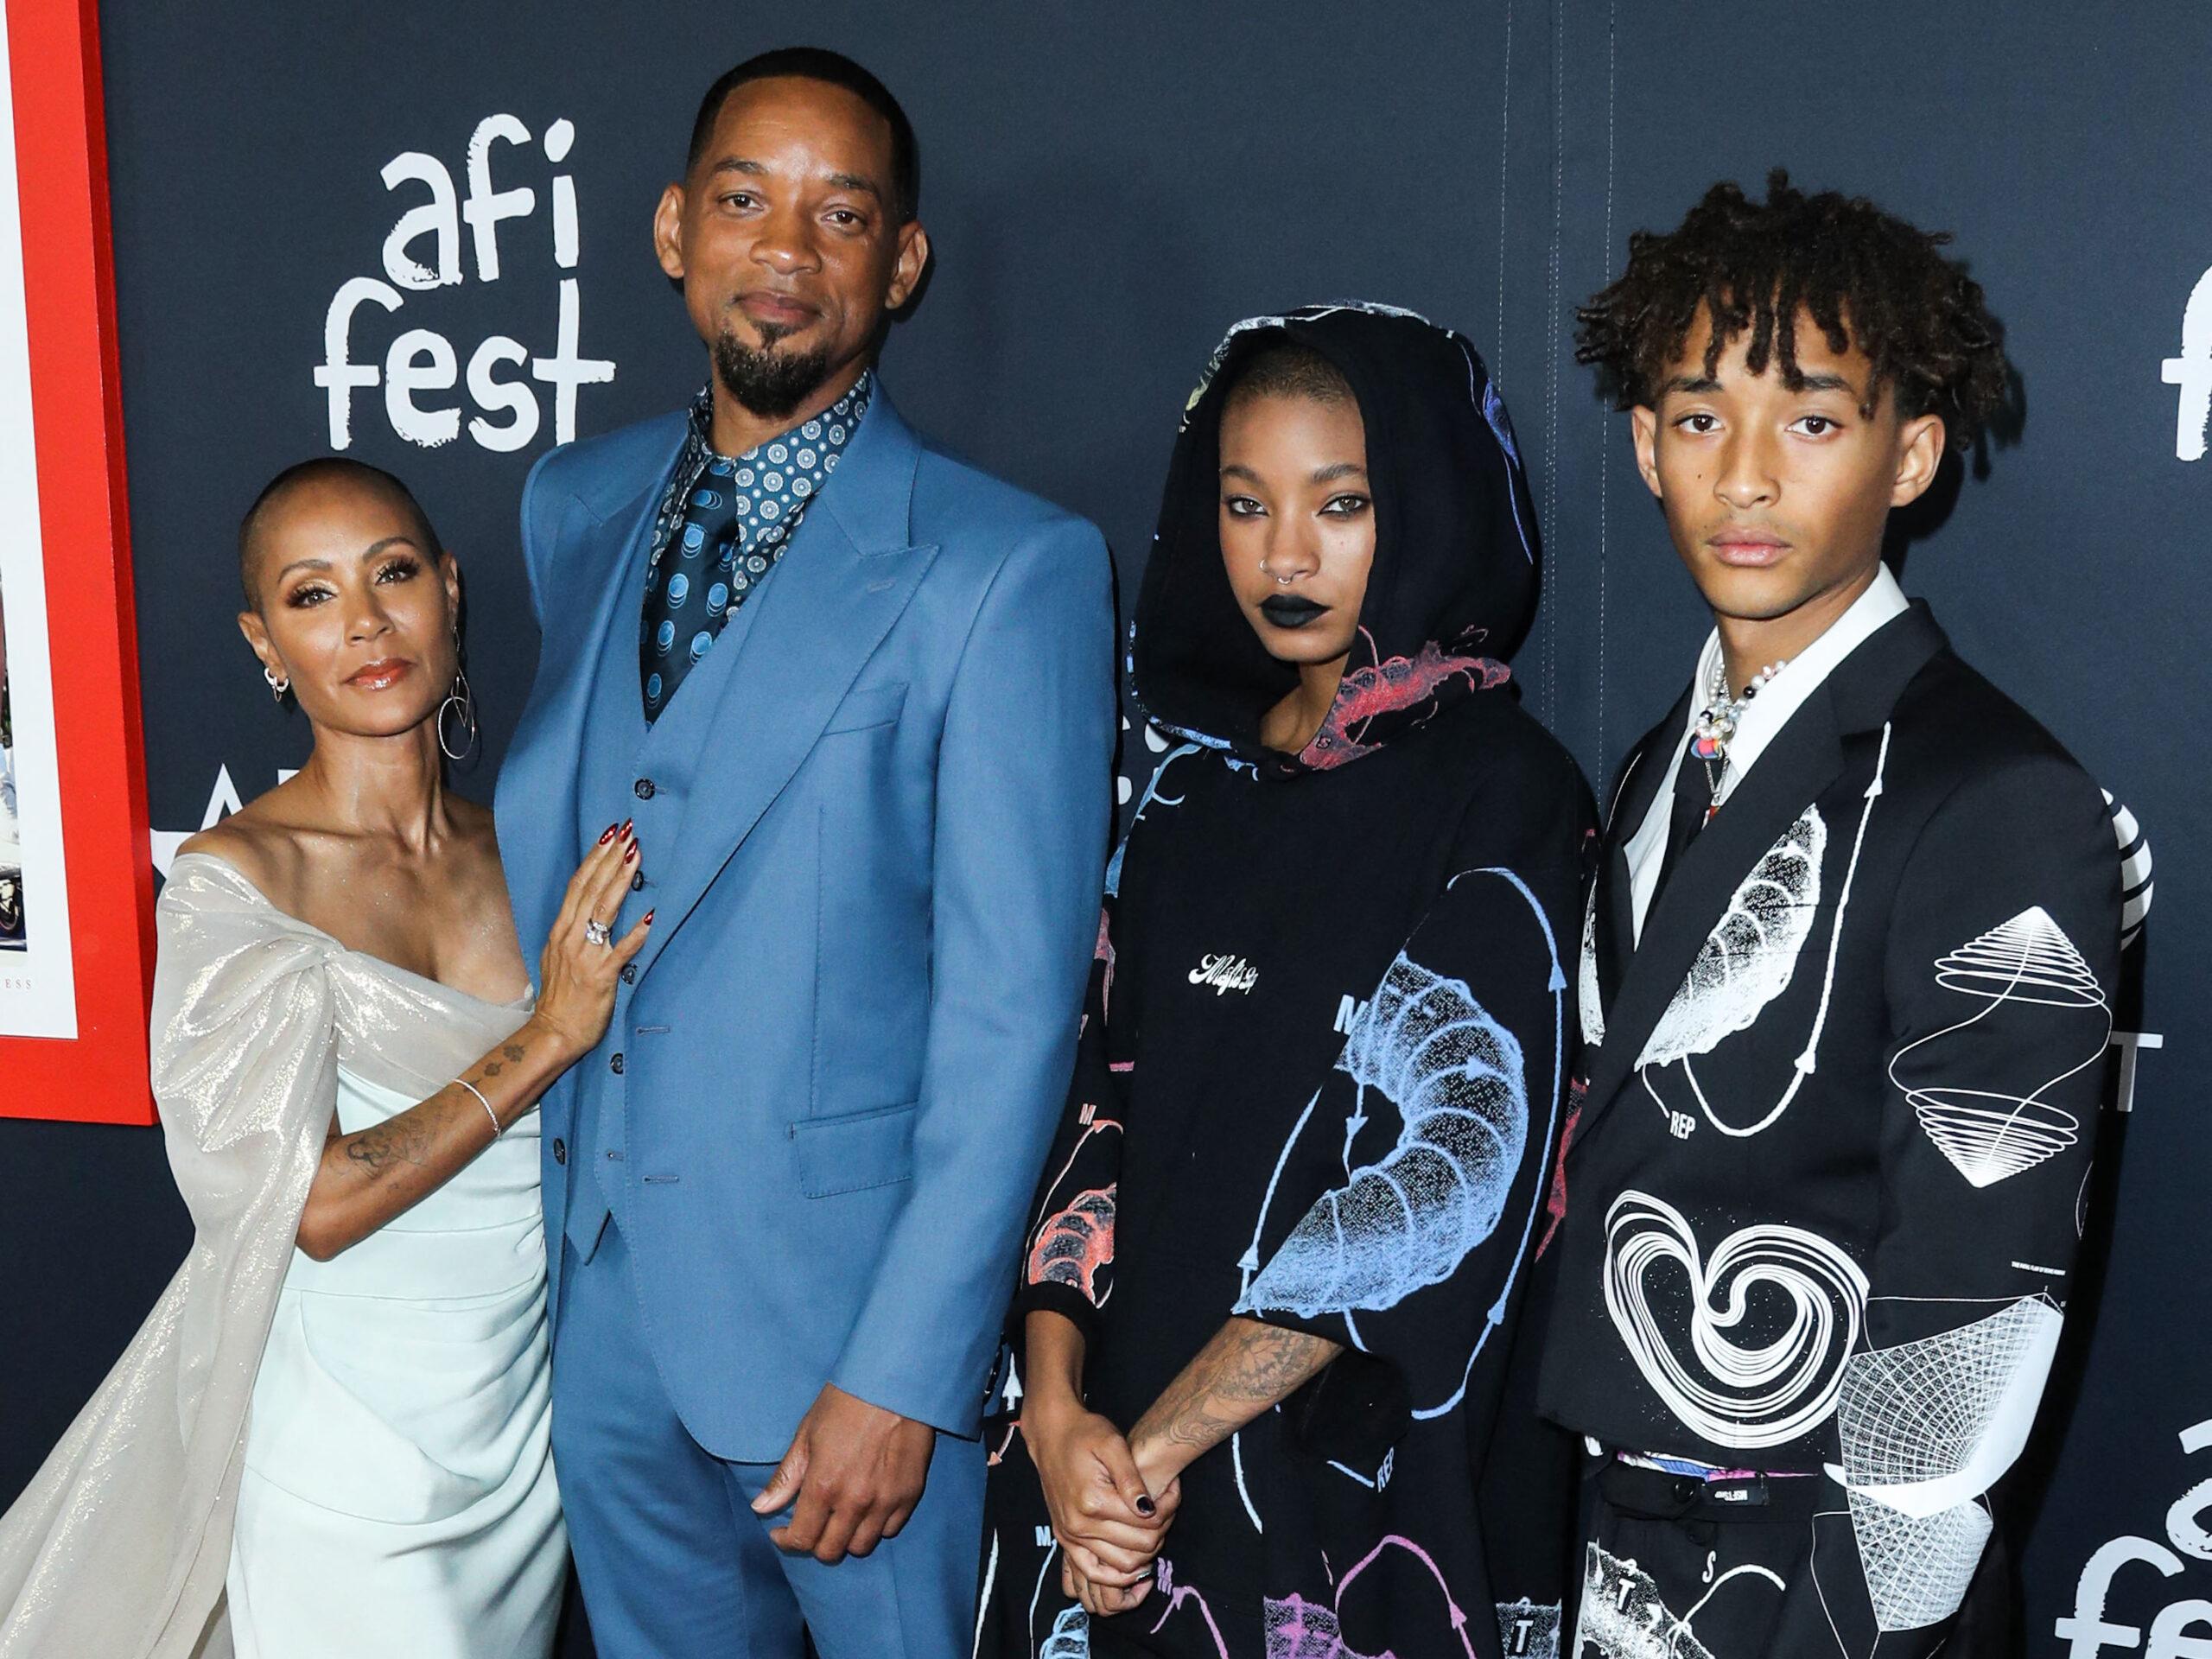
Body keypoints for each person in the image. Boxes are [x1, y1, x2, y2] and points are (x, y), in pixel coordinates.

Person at [490, 46, 1115, 1658]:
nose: (787, 251)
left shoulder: (1008, 571)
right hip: (603, 1321)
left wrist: (906, 1371)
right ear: (672, 232)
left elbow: (1010, 1014)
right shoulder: (576, 502)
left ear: (900, 265)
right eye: (745, 200)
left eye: (842, 215)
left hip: (845, 1354)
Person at [1543, 173, 2123, 1656]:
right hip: (1622, 1556)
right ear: (1643, 445)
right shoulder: (1658, 759)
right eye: (1698, 418)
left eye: (1811, 420)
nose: (1745, 476)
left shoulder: (1999, 794)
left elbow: (1971, 1317)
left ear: (1912, 451)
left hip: (1825, 1596)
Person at [978, 302, 1590, 1659]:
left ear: (1423, 508)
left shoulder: (1506, 796)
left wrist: (1147, 1453)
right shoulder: (1188, 791)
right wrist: (1060, 1407)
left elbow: (1446, 1176)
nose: (1287, 553)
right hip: (1102, 1485)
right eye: (1245, 505)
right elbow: (1091, 1108)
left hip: (1336, 1497)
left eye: (1342, 503)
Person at [0, 458, 648, 1657]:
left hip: (522, 1445)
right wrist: (548, 1036)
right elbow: (319, 1203)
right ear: (265, 641)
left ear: (450, 590)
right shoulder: (238, 888)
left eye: (393, 573)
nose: (364, 623)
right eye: (311, 595)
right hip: (346, 1456)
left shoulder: (533, 850)